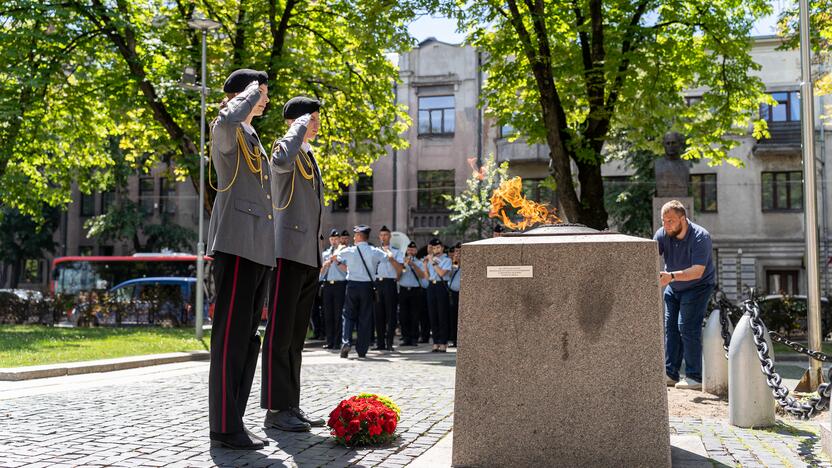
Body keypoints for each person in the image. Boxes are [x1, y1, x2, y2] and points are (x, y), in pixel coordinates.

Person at [206, 69, 273, 450]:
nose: (264, 99)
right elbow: (230, 115)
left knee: (247, 340)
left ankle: (235, 420)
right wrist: (248, 91)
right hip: (235, 245)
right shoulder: (226, 128)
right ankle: (223, 426)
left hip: (256, 248)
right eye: (259, 93)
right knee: (229, 339)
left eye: (263, 93)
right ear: (239, 94)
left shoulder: (251, 136)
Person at [261, 96, 325, 432]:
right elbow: (281, 159)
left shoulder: (309, 154)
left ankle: (290, 404)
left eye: (315, 120)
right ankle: (274, 408)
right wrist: (297, 127)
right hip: (286, 251)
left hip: (308, 254)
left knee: (297, 336)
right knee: (279, 333)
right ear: (297, 121)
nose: (316, 125)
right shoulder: (285, 148)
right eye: (311, 119)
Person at [654, 200, 715, 391]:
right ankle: (670, 373)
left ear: (683, 219)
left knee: (687, 327)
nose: (666, 225)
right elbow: (648, 256)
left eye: (670, 220)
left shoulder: (700, 236)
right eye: (664, 221)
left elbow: (697, 271)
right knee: (670, 328)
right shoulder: (662, 233)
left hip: (698, 285)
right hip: (674, 286)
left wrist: (670, 276)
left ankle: (694, 376)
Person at [335, 225, 398, 358]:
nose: (353, 237)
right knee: (365, 317)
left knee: (348, 315)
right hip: (367, 287)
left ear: (358, 236)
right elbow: (388, 257)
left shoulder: (349, 250)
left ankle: (346, 341)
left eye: (354, 235)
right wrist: (388, 252)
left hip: (352, 286)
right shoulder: (374, 251)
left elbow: (336, 257)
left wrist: (340, 248)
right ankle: (362, 349)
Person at [374, 226, 404, 351]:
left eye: (386, 235)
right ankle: (380, 343)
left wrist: (391, 257)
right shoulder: (375, 251)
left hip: (389, 284)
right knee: (378, 315)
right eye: (381, 235)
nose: (383, 237)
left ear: (390, 237)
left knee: (391, 315)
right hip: (377, 284)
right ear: (379, 237)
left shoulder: (396, 252)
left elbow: (400, 271)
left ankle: (389, 343)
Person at [421, 238, 452, 352]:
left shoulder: (447, 260)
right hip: (431, 286)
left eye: (438, 247)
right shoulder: (430, 260)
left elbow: (442, 273)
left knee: (442, 315)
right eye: (434, 248)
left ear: (442, 248)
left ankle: (443, 342)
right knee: (433, 315)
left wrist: (432, 262)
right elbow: (427, 277)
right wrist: (425, 265)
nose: (436, 250)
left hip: (441, 287)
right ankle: (435, 342)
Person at [320, 228, 347, 350]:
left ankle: (337, 342)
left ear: (339, 240)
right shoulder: (325, 254)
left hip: (340, 285)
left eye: (336, 239)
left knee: (338, 314)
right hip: (327, 286)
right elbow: (320, 274)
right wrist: (325, 266)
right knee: (328, 314)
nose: (334, 241)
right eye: (332, 239)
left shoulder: (343, 253)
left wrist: (337, 262)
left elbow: (347, 270)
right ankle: (329, 341)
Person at [397, 241, 426, 346]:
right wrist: (403, 265)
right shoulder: (401, 262)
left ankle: (414, 338)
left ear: (416, 251)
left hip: (415, 291)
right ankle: (406, 338)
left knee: (415, 315)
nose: (411, 251)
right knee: (403, 315)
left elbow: (422, 275)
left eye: (413, 250)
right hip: (404, 290)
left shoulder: (419, 262)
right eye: (409, 250)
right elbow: (398, 276)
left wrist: (413, 264)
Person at [448, 242, 462, 348]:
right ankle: (454, 339)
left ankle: (460, 340)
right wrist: (454, 263)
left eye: (460, 251)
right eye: (456, 251)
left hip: (462, 294)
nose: (458, 253)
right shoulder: (453, 265)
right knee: (452, 317)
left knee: (461, 318)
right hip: (453, 293)